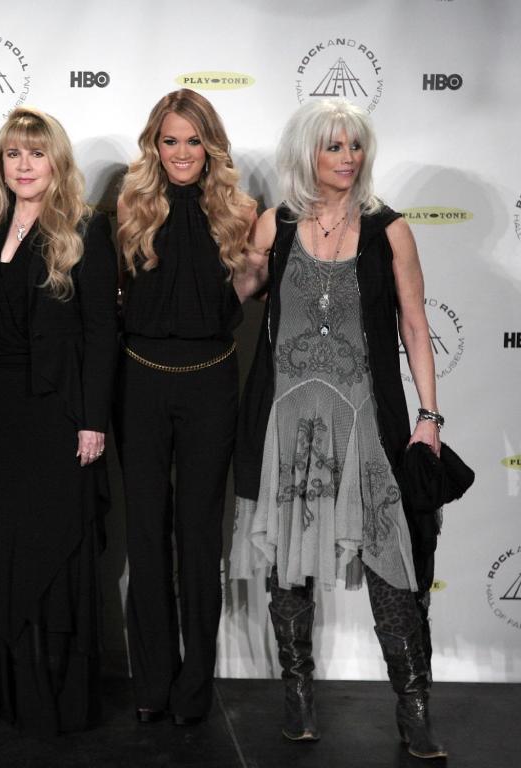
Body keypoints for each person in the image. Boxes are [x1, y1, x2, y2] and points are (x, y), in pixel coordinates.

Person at [230, 98, 447, 759]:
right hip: (286, 417)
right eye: (333, 146)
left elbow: (414, 327)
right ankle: (297, 700)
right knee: (287, 567)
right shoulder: (280, 223)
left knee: (392, 561)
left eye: (355, 146)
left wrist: (428, 416)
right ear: (308, 153)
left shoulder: (391, 230)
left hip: (363, 419)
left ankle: (414, 714)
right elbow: (238, 293)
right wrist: (242, 239)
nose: (348, 158)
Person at [0, 107, 117, 736]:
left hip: (56, 414)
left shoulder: (82, 231)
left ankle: (53, 696)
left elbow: (102, 331)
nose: (24, 166)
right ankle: (4, 693)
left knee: (51, 545)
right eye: (13, 154)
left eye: (36, 153)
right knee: (2, 549)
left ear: (57, 162)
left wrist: (92, 419)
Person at [115, 90, 256, 726]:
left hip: (211, 382)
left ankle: (195, 685)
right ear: (154, 145)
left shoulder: (243, 211)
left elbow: (243, 297)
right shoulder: (128, 205)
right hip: (139, 383)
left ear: (211, 147)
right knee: (145, 534)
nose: (181, 154)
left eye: (193, 141)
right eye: (169, 140)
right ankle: (152, 683)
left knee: (200, 538)